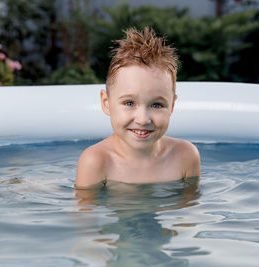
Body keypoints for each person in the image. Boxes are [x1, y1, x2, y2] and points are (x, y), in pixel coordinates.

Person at [75, 27, 200, 188]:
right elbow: (84, 212)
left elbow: (190, 209)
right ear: (106, 103)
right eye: (129, 103)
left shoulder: (185, 156)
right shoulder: (96, 161)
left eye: (156, 105)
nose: (142, 119)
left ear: (172, 106)